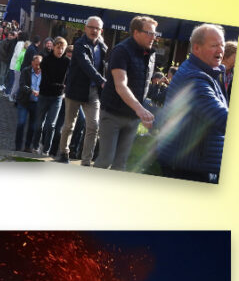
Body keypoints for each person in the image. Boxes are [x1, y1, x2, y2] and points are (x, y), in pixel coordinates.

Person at [157, 24, 229, 183]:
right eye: (214, 45)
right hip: (189, 169)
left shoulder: (206, 71)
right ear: (196, 48)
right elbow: (222, 119)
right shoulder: (194, 79)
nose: (220, 50)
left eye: (222, 45)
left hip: (194, 163)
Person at [94, 16, 157, 171]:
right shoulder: (121, 51)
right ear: (136, 32)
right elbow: (121, 85)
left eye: (155, 34)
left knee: (121, 164)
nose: (153, 37)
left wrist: (144, 112)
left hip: (133, 118)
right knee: (105, 159)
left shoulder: (150, 54)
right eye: (149, 33)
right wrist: (140, 109)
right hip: (112, 115)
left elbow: (142, 85)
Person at [56, 16, 107, 165]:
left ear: (101, 30)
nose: (94, 30)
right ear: (85, 28)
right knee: (69, 125)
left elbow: (102, 68)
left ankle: (86, 161)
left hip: (93, 92)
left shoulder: (103, 47)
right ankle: (64, 153)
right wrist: (101, 81)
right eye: (91, 27)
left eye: (97, 28)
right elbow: (86, 65)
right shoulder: (79, 44)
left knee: (93, 126)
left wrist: (103, 83)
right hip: (76, 89)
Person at [31, 37, 69, 155]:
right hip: (44, 95)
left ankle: (46, 150)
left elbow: (68, 79)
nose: (60, 50)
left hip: (57, 97)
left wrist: (64, 88)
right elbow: (47, 80)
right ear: (53, 47)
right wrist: (61, 86)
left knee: (51, 125)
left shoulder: (67, 62)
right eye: (58, 48)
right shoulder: (46, 61)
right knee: (39, 124)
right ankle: (35, 146)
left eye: (63, 48)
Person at [15, 55, 42, 152]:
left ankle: (27, 146)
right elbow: (22, 85)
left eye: (39, 65)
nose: (38, 67)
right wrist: (31, 91)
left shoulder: (45, 73)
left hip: (37, 103)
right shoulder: (26, 71)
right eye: (36, 65)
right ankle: (18, 146)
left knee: (33, 126)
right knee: (21, 123)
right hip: (24, 101)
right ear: (32, 63)